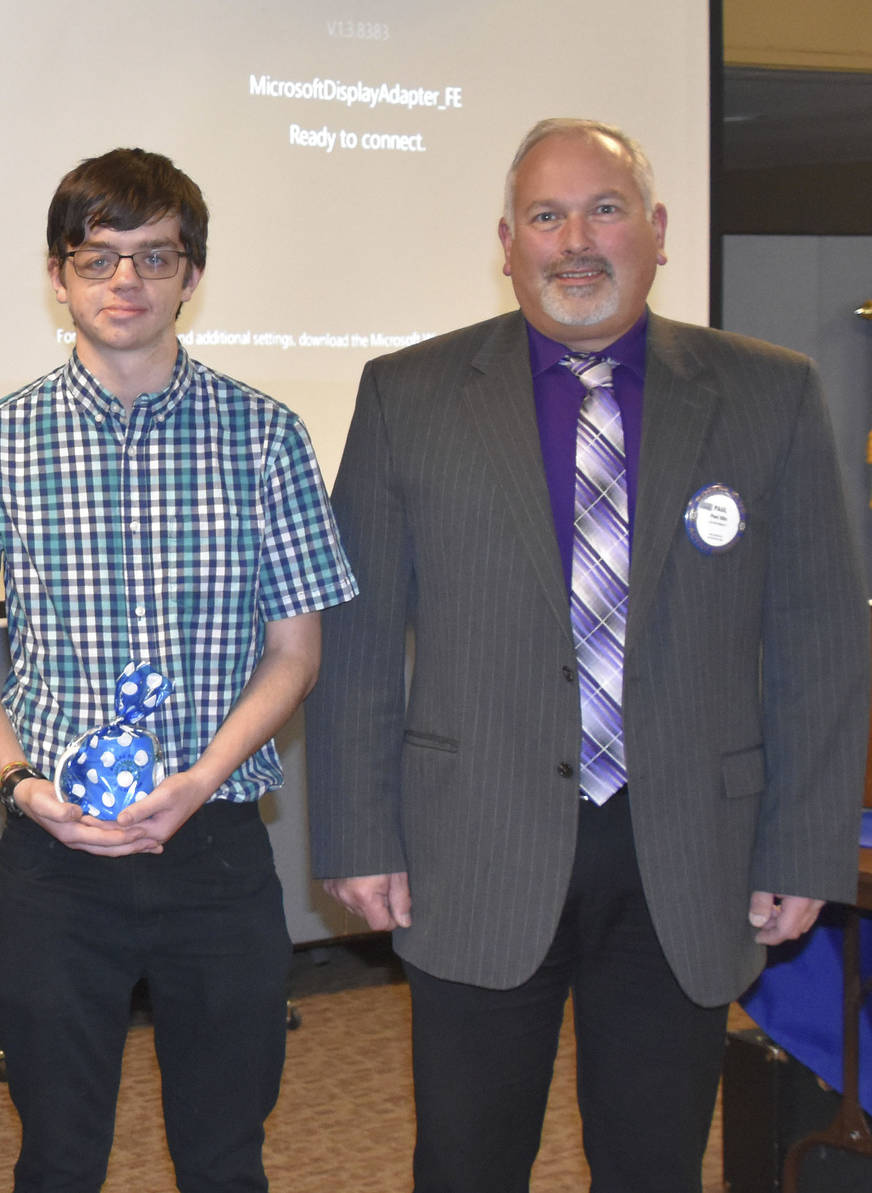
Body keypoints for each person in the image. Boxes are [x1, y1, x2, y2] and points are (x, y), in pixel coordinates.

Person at [306, 118, 871, 1192]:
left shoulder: (766, 392)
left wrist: (802, 846)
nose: (575, 239)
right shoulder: (408, 395)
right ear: (506, 241)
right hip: (469, 849)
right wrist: (354, 829)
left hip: (687, 854)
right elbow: (360, 633)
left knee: (651, 1162)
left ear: (655, 232)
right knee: (466, 1162)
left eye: (602, 209)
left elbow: (815, 633)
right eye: (545, 215)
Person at [0, 148, 356, 1192]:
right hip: (55, 859)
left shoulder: (265, 436)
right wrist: (21, 783)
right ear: (56, 275)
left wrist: (200, 777)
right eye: (96, 257)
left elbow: (297, 653)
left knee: (222, 1153)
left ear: (190, 275)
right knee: (57, 1154)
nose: (124, 281)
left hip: (214, 852)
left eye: (152, 257)